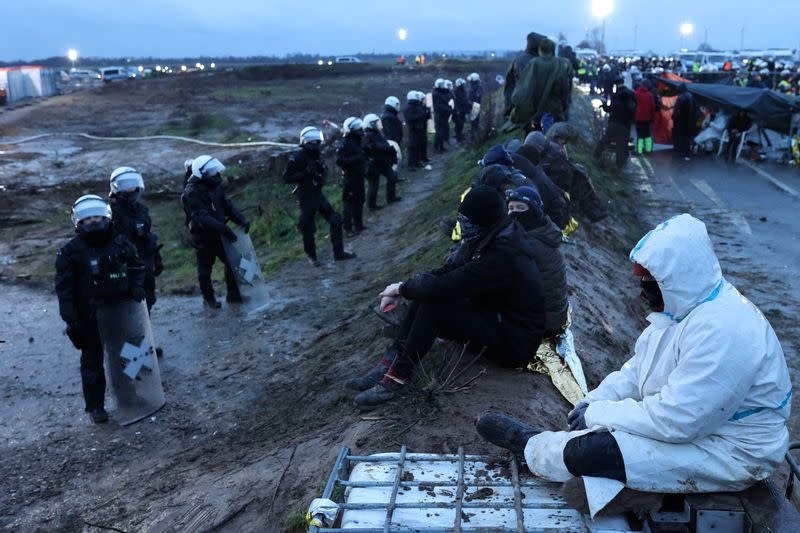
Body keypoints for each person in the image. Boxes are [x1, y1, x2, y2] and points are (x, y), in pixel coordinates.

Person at [477, 214, 792, 498]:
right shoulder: (682, 310)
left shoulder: (726, 330)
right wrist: (592, 402)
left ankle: (530, 446)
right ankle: (628, 488)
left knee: (596, 451)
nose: (642, 292)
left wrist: (599, 416)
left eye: (650, 283)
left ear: (676, 278)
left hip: (732, 449)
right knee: (603, 436)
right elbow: (636, 371)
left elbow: (678, 420)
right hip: (698, 429)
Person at [346, 186, 546, 408]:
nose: (462, 226)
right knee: (427, 295)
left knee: (436, 306)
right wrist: (401, 288)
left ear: (482, 220)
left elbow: (450, 284)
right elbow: (449, 270)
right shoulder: (491, 234)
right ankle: (390, 362)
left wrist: (402, 289)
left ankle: (397, 378)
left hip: (514, 342)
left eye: (467, 222)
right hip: (497, 318)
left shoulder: (503, 254)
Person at [55, 195, 146, 423]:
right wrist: (71, 320)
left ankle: (132, 395)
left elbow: (137, 266)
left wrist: (135, 286)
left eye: (97, 217)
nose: (93, 222)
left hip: (121, 309)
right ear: (79, 223)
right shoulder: (69, 252)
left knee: (129, 353)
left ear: (106, 217)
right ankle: (95, 407)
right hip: (89, 315)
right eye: (88, 219)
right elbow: (64, 290)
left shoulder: (120, 242)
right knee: (92, 361)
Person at [181, 155, 249, 308]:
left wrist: (241, 220)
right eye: (211, 172)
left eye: (215, 170)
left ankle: (233, 295)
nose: (215, 174)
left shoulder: (216, 186)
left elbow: (228, 206)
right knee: (205, 270)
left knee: (234, 262)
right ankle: (208, 299)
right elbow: (202, 216)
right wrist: (224, 229)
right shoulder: (191, 192)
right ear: (202, 174)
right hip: (203, 236)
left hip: (220, 234)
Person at [283, 126, 356, 266]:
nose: (317, 145)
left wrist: (321, 173)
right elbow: (287, 177)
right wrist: (305, 173)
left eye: (318, 142)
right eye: (314, 142)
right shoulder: (298, 155)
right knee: (308, 227)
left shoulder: (315, 153)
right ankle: (312, 256)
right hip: (305, 196)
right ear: (307, 142)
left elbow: (322, 171)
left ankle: (338, 253)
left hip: (317, 193)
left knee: (335, 219)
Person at [505, 186, 568, 336]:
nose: (514, 212)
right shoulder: (540, 230)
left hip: (544, 322)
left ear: (534, 210)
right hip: (551, 314)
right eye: (511, 207)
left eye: (520, 208)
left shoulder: (529, 242)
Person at [108, 167, 163, 312]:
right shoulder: (111, 213)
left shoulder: (142, 210)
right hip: (124, 264)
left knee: (149, 298)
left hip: (145, 261)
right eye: (125, 186)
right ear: (116, 187)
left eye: (132, 185)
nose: (130, 189)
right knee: (126, 301)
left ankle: (145, 329)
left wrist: (157, 257)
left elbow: (148, 235)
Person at [508, 38, 572, 133]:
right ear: (553, 49)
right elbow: (564, 89)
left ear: (540, 49)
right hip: (553, 110)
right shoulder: (560, 64)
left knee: (533, 136)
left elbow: (524, 88)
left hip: (535, 110)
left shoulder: (533, 63)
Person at [593, 75, 636, 169]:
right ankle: (620, 168)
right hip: (625, 125)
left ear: (616, 84)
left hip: (615, 123)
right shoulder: (631, 93)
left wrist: (604, 105)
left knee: (604, 142)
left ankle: (594, 159)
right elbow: (633, 110)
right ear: (623, 82)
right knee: (621, 147)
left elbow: (610, 109)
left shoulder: (616, 95)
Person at [335, 117, 368, 235]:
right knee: (349, 202)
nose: (361, 130)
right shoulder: (345, 144)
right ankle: (348, 228)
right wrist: (357, 159)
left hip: (359, 175)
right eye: (358, 128)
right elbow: (340, 161)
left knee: (360, 199)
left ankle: (358, 224)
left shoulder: (357, 141)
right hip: (350, 177)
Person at [363, 113, 401, 208]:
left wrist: (389, 151)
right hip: (374, 164)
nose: (379, 124)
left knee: (391, 177)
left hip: (382, 162)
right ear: (371, 124)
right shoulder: (368, 135)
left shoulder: (377, 133)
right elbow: (372, 147)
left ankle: (391, 197)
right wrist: (386, 148)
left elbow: (382, 144)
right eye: (376, 123)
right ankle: (372, 205)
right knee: (374, 185)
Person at [504, 32, 546, 112]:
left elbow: (509, 85)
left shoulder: (518, 60)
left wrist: (509, 107)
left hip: (519, 106)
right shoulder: (535, 62)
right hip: (528, 109)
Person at [403, 90, 430, 171]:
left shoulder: (416, 107)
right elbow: (410, 118)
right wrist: (422, 115)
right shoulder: (409, 108)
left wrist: (426, 114)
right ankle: (411, 165)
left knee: (418, 146)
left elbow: (420, 116)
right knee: (413, 147)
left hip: (419, 129)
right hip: (413, 130)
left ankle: (417, 162)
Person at [671, 84, 698, 160]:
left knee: (682, 137)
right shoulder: (691, 96)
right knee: (688, 137)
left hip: (682, 122)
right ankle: (688, 152)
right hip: (691, 121)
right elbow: (696, 109)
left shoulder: (680, 98)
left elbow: (676, 112)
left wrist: (673, 117)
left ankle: (684, 152)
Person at [634, 82, 656, 155]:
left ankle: (639, 151)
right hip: (647, 118)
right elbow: (652, 107)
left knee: (640, 135)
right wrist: (652, 118)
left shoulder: (636, 94)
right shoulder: (650, 95)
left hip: (638, 118)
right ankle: (648, 150)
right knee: (647, 135)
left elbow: (633, 105)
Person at [432, 79, 452, 153]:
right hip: (439, 115)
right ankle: (436, 148)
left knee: (443, 131)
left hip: (444, 115)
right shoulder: (436, 94)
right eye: (442, 84)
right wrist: (449, 109)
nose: (444, 86)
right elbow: (439, 106)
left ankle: (441, 147)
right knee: (439, 132)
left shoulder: (442, 93)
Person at [453, 78, 470, 143]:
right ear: (460, 85)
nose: (464, 85)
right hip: (459, 111)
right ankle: (458, 137)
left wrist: (467, 108)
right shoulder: (455, 92)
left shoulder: (463, 91)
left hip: (463, 110)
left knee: (462, 123)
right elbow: (456, 102)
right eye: (462, 84)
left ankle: (460, 136)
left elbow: (465, 100)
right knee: (459, 124)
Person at [467, 73, 483, 139]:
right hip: (473, 104)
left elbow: (477, 96)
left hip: (475, 104)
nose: (470, 81)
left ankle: (475, 132)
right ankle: (474, 131)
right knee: (474, 118)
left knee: (475, 118)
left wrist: (472, 103)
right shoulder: (473, 85)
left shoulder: (477, 86)